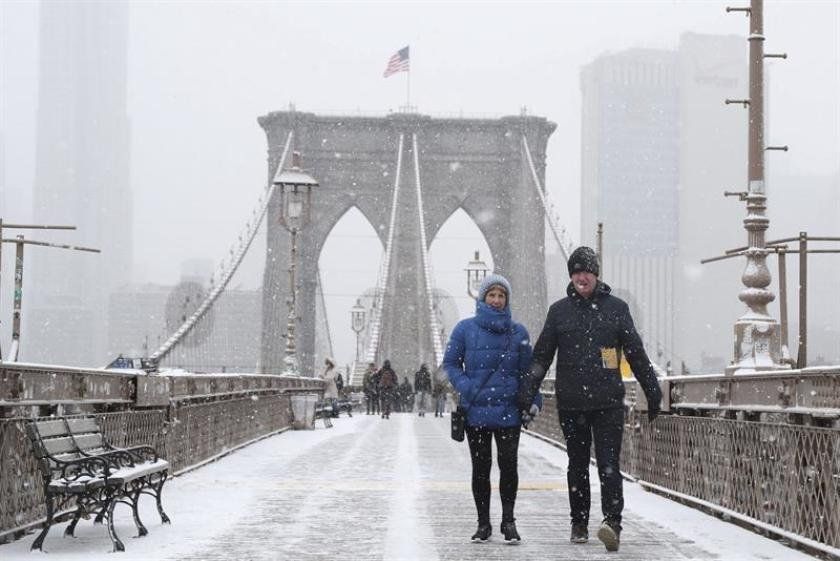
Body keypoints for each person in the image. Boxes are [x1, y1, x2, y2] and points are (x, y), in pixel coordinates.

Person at [517, 246, 662, 552]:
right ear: (571, 276)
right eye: (576, 272)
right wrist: (526, 392)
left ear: (596, 275)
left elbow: (635, 353)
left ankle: (612, 523)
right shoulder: (558, 312)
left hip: (608, 402)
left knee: (608, 464)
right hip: (572, 403)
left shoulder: (617, 309)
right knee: (577, 465)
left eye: (587, 271)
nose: (582, 277)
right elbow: (542, 357)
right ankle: (579, 522)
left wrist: (652, 390)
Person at [442, 273, 541, 543]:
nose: (496, 300)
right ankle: (483, 524)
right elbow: (450, 364)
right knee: (481, 469)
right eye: (492, 295)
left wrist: (534, 401)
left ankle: (508, 522)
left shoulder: (518, 332)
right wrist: (468, 387)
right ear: (483, 297)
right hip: (477, 412)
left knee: (509, 467)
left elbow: (528, 373)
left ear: (506, 299)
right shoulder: (464, 329)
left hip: (509, 411)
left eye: (501, 296)